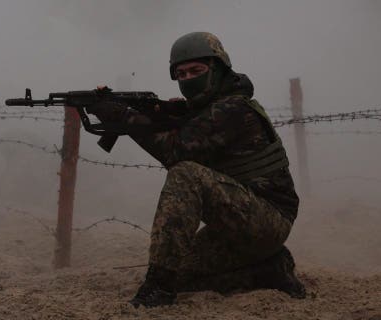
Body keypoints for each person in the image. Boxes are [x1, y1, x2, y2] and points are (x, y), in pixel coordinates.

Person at [89, 31, 306, 308]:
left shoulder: (231, 108)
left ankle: (157, 289)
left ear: (217, 69)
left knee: (185, 174)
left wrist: (123, 116)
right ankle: (265, 270)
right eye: (181, 74)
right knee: (181, 274)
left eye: (196, 70)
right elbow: (187, 130)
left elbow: (176, 152)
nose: (189, 78)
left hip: (268, 221)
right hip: (240, 224)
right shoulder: (208, 108)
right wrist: (145, 114)